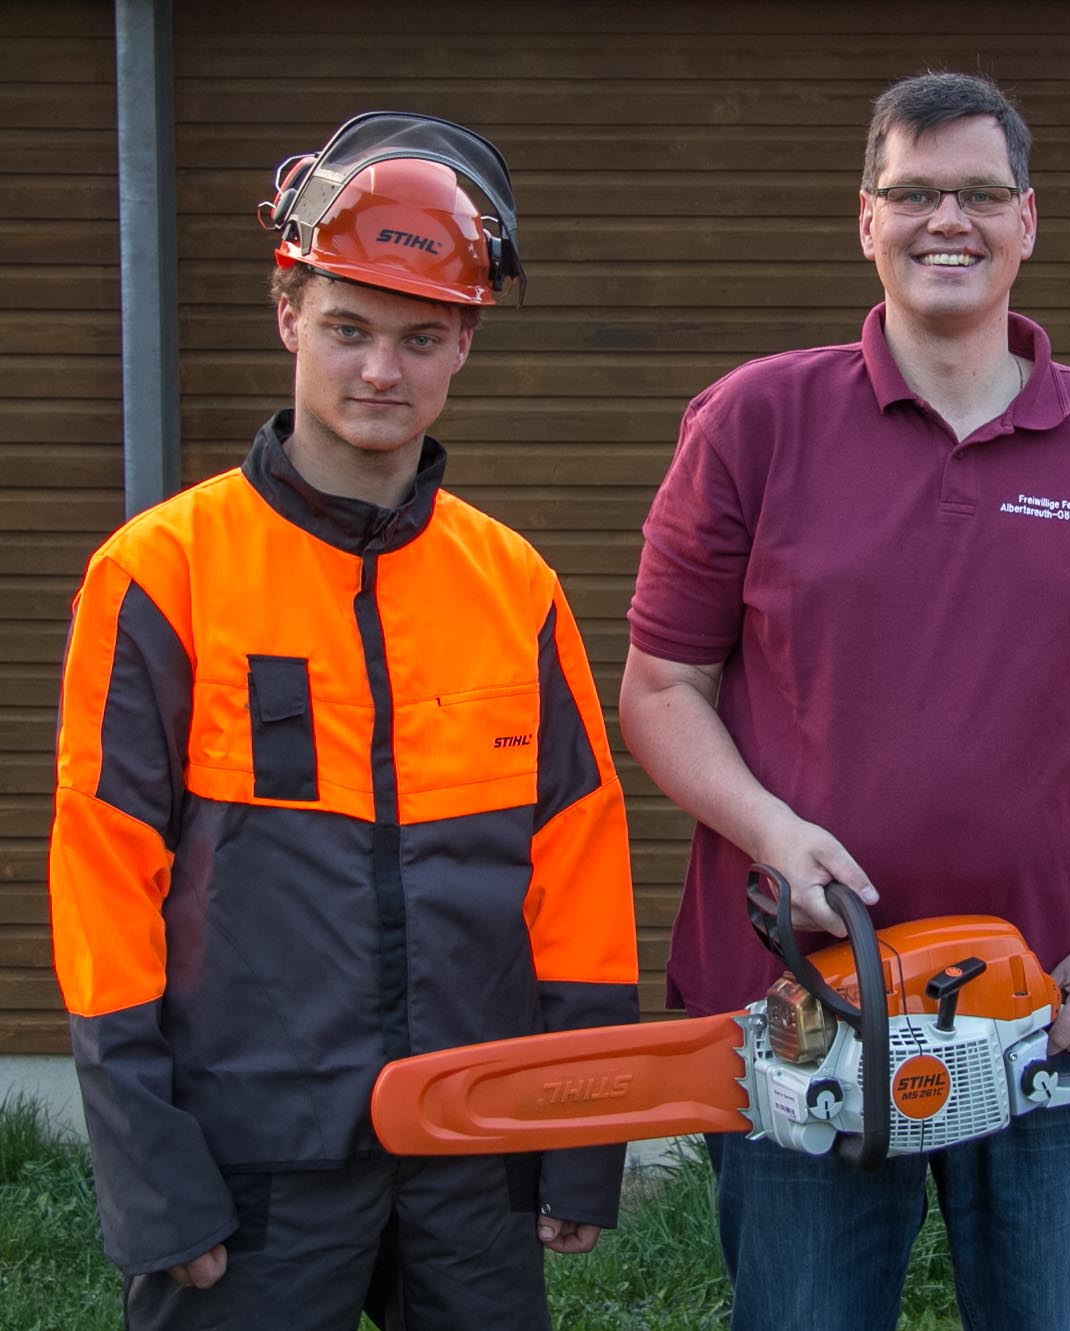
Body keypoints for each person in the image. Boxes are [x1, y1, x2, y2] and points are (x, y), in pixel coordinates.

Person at [621, 71, 1070, 1331]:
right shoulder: (753, 422)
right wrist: (769, 832)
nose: (946, 219)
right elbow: (663, 688)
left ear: (1028, 221)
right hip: (802, 1006)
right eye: (913, 193)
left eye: (978, 194)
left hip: (1053, 1010)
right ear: (865, 219)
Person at [47, 112, 640, 1330]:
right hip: (248, 1150)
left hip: (472, 1145)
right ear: (287, 314)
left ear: (463, 343)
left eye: (420, 337)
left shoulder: (511, 581)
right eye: (349, 329)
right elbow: (101, 881)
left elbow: (578, 859)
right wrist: (152, 1171)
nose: (382, 370)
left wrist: (579, 1133)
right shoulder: (161, 572)